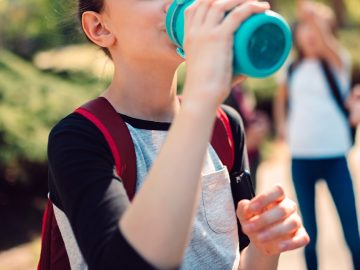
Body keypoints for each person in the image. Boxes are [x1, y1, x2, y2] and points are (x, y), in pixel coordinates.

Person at [44, 0, 309, 269]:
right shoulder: (80, 138)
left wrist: (266, 248)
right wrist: (201, 99)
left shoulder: (224, 126)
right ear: (99, 27)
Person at [274, 1, 360, 269]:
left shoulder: (337, 62)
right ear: (297, 32)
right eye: (306, 28)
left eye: (318, 28)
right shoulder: (291, 69)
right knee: (309, 233)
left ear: (327, 31)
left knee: (351, 230)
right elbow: (281, 99)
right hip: (301, 159)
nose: (311, 34)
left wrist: (314, 18)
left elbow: (324, 41)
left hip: (334, 157)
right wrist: (282, 126)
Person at [224, 83, 270, 190]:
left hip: (251, 156)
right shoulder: (224, 91)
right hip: (237, 163)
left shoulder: (241, 88)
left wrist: (258, 120)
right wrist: (244, 142)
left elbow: (247, 114)